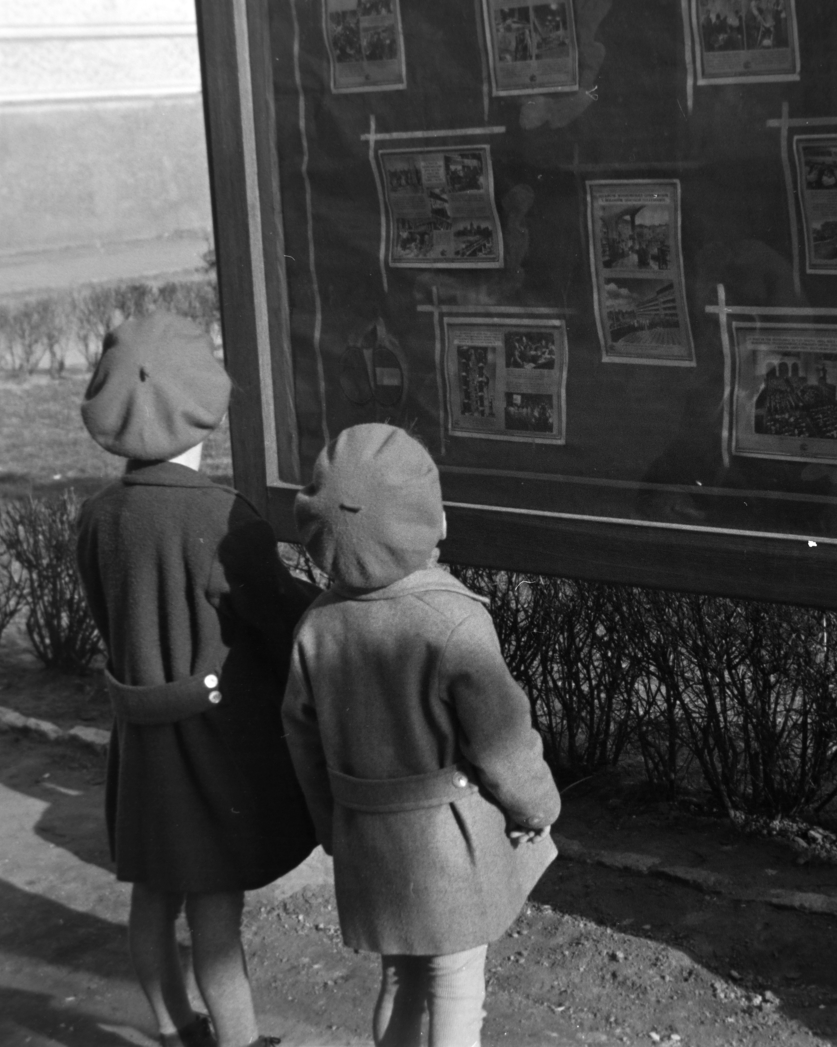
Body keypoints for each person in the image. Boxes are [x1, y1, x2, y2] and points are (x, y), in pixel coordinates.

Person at [75, 312, 319, 1047]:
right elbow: (280, 623)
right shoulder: (222, 515)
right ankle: (239, 1040)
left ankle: (172, 1027)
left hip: (141, 745)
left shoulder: (99, 516)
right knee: (216, 917)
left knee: (152, 894)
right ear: (204, 410)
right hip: (214, 747)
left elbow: (105, 613)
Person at [284, 424, 560, 1047]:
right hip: (448, 849)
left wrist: (332, 828)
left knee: (398, 980)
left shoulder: (315, 627)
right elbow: (503, 745)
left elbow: (302, 739)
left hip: (367, 840)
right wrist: (538, 808)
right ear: (435, 524)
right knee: (456, 985)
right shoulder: (455, 621)